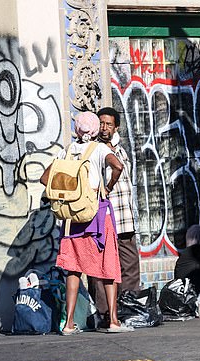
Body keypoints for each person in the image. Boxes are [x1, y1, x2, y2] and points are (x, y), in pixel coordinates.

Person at [40, 111, 132, 335]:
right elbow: (118, 166)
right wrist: (107, 187)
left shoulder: (67, 151)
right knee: (108, 266)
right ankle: (113, 320)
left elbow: (44, 178)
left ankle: (69, 323)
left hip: (72, 219)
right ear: (94, 129)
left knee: (73, 269)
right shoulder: (100, 149)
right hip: (97, 214)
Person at [88, 107, 141, 317]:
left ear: (116, 127)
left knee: (130, 265)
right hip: (104, 219)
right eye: (101, 123)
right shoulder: (93, 150)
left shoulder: (120, 149)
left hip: (125, 219)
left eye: (109, 124)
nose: (104, 128)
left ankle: (129, 307)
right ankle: (105, 313)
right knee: (100, 269)